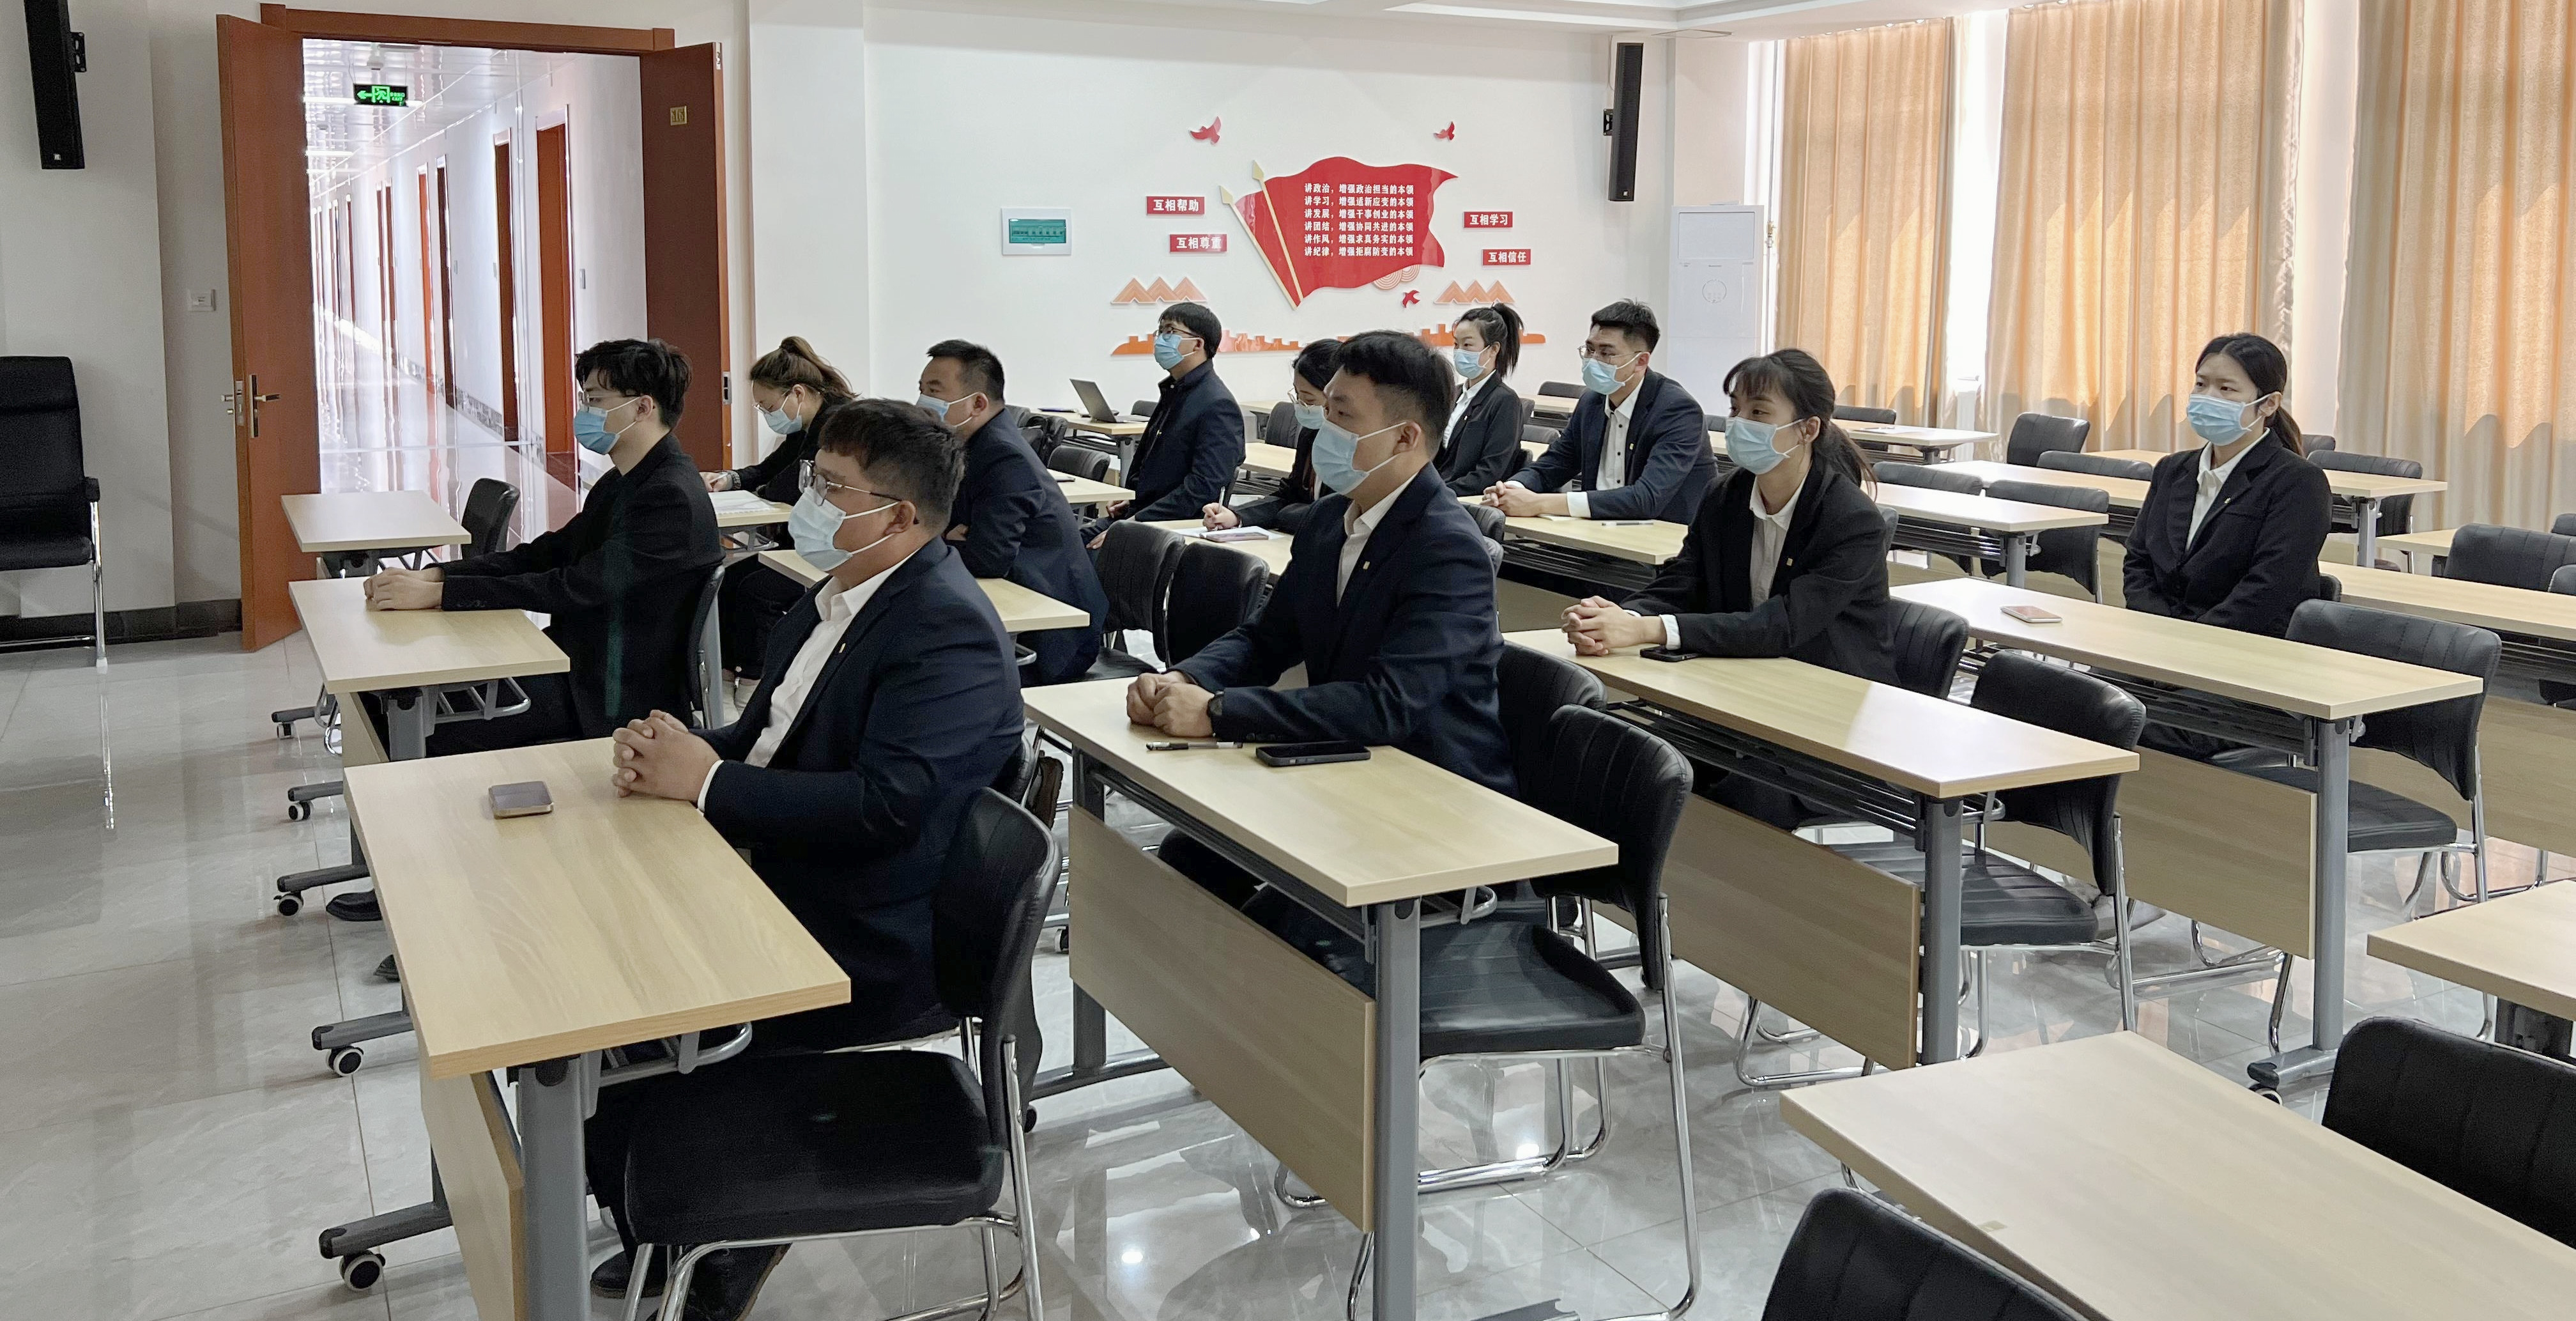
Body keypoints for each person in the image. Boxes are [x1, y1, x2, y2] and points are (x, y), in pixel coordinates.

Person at [588, 398, 1025, 1321]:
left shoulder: (944, 629)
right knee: (597, 969)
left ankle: (704, 1229)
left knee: (622, 1003)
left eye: (831, 487)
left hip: (867, 931)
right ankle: (645, 1209)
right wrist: (682, 752)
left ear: (899, 515)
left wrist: (708, 784)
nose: (809, 502)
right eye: (813, 480)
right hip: (789, 869)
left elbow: (883, 807)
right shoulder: (835, 594)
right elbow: (766, 739)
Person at [1133, 328, 1512, 797]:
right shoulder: (1329, 519)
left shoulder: (1449, 551)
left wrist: (1218, 711)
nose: (1324, 428)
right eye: (1326, 409)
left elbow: (1387, 704)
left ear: (1404, 438)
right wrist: (1183, 678)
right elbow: (1267, 639)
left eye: (1342, 415)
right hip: (1345, 763)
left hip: (1435, 786)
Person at [1562, 348, 1896, 681]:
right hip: (1746, 666)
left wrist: (1648, 629)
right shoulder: (1724, 495)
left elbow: (1784, 624)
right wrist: (1620, 618)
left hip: (1834, 681)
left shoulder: (1852, 520)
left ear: (1808, 430)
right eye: (1735, 409)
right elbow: (1684, 581)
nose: (1739, 423)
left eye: (1758, 412)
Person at [920, 337, 1110, 683]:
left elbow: (987, 559)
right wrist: (949, 534)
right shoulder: (970, 443)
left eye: (934, 391)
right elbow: (941, 523)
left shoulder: (1003, 456)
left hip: (1051, 638)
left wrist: (946, 537)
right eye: (922, 390)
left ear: (978, 403)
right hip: (1011, 607)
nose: (923, 403)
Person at [2123, 333, 2331, 640]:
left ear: (2268, 404)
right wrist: (2161, 629)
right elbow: (2138, 560)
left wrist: (2193, 640)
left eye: (2226, 388)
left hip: (2245, 644)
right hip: (2161, 638)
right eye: (2201, 384)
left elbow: (2271, 585)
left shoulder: (2298, 481)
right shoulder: (2172, 469)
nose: (2208, 397)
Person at [1486, 299, 1715, 524]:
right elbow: (1555, 464)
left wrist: (1540, 503)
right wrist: (1511, 489)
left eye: (1606, 353)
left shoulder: (1677, 410)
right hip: (1599, 529)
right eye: (1590, 350)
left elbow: (1646, 498)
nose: (1593, 360)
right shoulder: (1591, 402)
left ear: (1641, 361)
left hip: (1667, 537)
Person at [709, 337, 857, 677]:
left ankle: (753, 681)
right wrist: (730, 479)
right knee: (728, 579)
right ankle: (729, 673)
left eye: (768, 407)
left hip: (836, 544)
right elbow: (771, 469)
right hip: (806, 537)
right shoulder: (806, 425)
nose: (766, 415)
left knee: (756, 592)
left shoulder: (838, 427)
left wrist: (762, 488)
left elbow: (788, 487)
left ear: (797, 393)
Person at [1084, 301, 1245, 546]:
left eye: (1170, 331)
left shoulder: (1217, 405)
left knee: (1078, 551)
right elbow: (1163, 470)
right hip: (1146, 516)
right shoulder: (1175, 390)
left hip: (1171, 529)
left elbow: (1201, 490)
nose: (1161, 339)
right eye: (1160, 332)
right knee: (1063, 540)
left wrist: (1138, 521)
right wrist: (1136, 502)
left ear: (1198, 344)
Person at [1203, 337, 1341, 534]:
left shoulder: (1357, 445)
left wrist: (1288, 514)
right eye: (1297, 395)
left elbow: (1334, 514)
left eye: (1309, 400)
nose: (1301, 405)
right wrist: (1236, 516)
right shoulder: (1311, 434)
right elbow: (1289, 495)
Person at [1437, 304, 1529, 497]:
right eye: (1456, 345)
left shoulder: (1505, 401)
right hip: (1441, 490)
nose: (1459, 352)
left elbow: (1490, 473)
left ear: (1493, 349)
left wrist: (1439, 492)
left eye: (1467, 345)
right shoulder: (1453, 394)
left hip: (1465, 498)